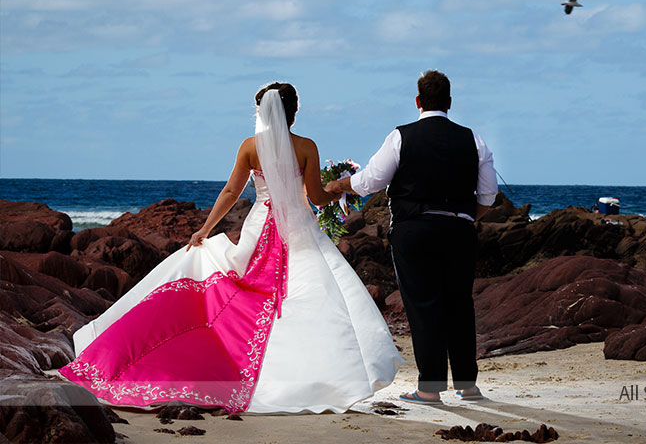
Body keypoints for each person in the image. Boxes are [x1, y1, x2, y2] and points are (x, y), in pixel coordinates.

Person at [60, 82, 401, 414]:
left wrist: (204, 230)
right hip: (297, 228)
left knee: (247, 292)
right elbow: (315, 197)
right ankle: (312, 377)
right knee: (308, 295)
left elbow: (230, 193)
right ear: (294, 113)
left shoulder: (251, 146)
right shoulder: (307, 147)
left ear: (263, 115)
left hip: (258, 228)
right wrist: (342, 190)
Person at [326, 70, 498, 405]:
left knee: (424, 306)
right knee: (460, 304)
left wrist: (339, 186)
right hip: (460, 231)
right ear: (449, 103)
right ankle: (468, 385)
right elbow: (488, 196)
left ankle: (430, 389)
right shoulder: (474, 139)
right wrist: (462, 218)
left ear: (418, 102)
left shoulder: (401, 136)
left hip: (414, 230)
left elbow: (371, 181)